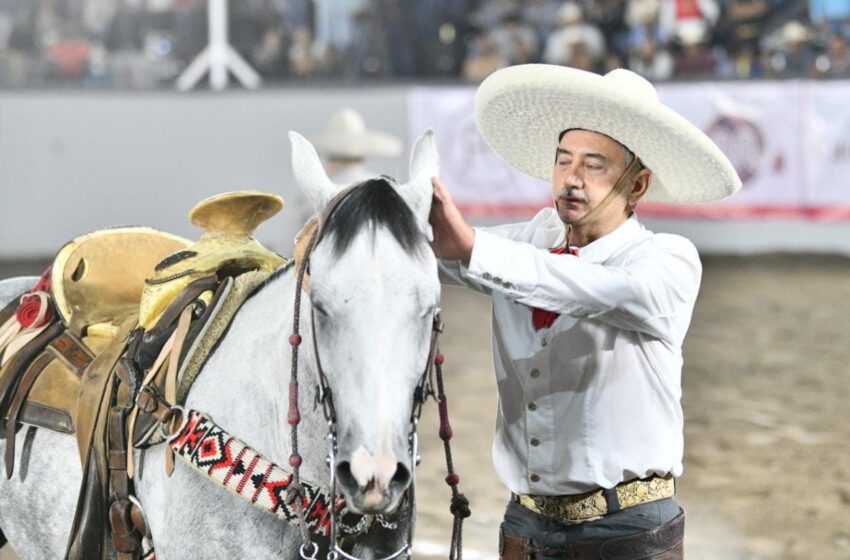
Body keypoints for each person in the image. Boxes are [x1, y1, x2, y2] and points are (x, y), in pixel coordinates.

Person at [428, 65, 740, 559]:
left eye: (594, 165)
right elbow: (435, 255)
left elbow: (593, 289)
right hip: (525, 522)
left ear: (637, 186)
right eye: (563, 160)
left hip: (628, 531)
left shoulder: (667, 260)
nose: (571, 179)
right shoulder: (527, 244)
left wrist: (472, 248)